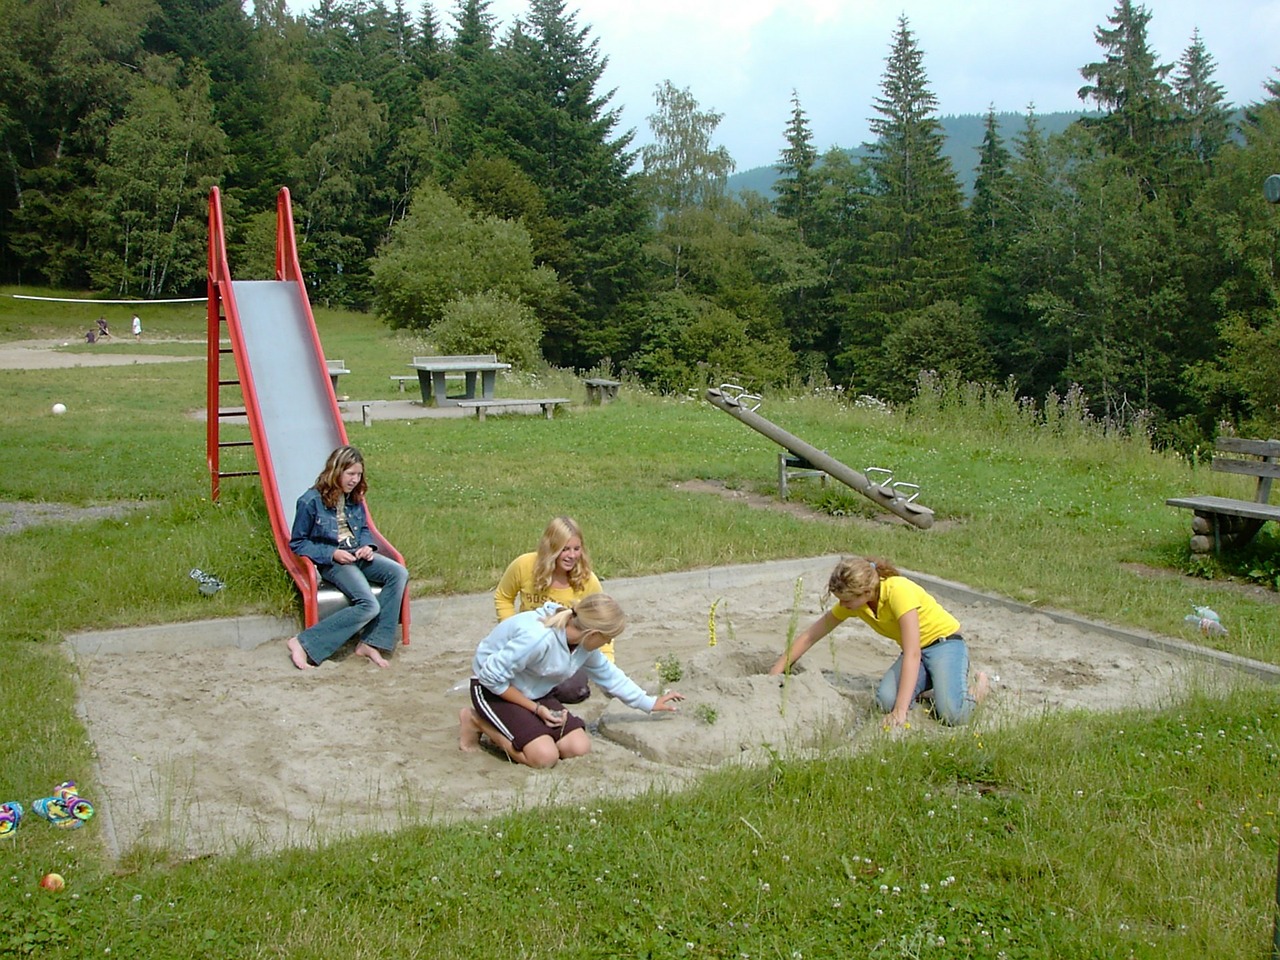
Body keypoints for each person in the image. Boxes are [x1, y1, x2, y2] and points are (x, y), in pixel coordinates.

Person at [459, 594, 684, 768]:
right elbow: (490, 677)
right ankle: (476, 721)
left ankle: (530, 730)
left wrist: (649, 703)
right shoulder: (538, 638)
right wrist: (536, 710)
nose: (609, 642)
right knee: (544, 758)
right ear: (594, 633)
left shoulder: (582, 643)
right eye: (608, 638)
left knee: (578, 746)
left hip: (535, 691)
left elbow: (609, 675)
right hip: (493, 689)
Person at [769, 556, 989, 727]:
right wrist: (775, 672)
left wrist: (901, 712)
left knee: (953, 715)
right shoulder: (858, 603)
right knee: (885, 701)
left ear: (866, 591)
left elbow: (912, 652)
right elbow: (811, 635)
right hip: (918, 655)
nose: (843, 605)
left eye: (847, 601)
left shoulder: (898, 591)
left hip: (945, 644)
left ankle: (979, 687)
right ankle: (934, 683)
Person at [284, 445, 409, 671]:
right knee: (368, 605)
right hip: (332, 560)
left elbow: (362, 529)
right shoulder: (310, 501)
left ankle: (372, 641)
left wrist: (367, 546)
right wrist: (332, 553)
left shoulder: (354, 498)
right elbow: (298, 543)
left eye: (358, 474)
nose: (355, 479)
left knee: (398, 572)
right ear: (336, 471)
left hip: (355, 553)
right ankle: (303, 642)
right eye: (350, 474)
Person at [494, 516, 608, 704]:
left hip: (564, 649)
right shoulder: (524, 565)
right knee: (505, 674)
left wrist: (607, 660)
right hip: (527, 641)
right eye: (565, 549)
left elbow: (602, 623)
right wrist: (508, 628)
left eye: (576, 549)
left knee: (575, 691)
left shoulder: (588, 581)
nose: (572, 556)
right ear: (551, 548)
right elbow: (503, 597)